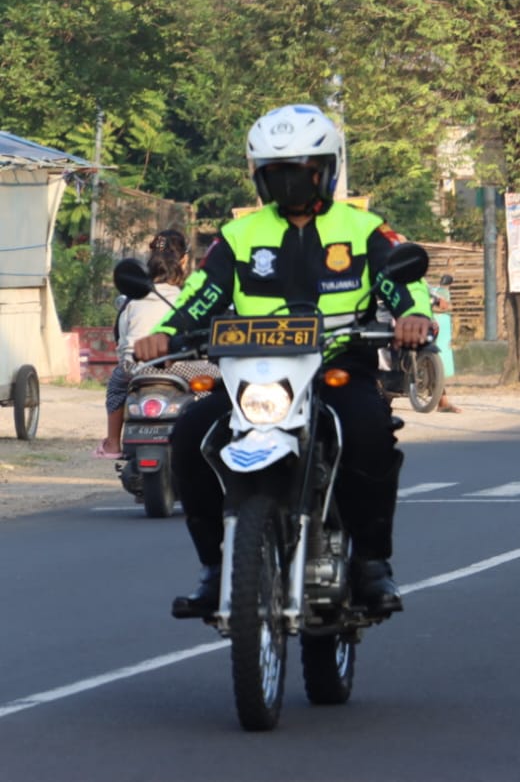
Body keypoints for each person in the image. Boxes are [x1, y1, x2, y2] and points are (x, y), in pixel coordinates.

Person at [134, 104, 434, 619]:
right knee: (190, 435)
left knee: (368, 432)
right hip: (253, 372)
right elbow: (203, 294)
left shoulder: (364, 229)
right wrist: (164, 333)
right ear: (260, 177)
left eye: (300, 171)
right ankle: (216, 568)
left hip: (337, 366)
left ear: (326, 170)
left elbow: (403, 284)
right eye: (277, 173)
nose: (290, 183)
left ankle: (371, 562)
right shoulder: (240, 236)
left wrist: (414, 318)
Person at [98, 230, 189, 458]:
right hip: (179, 369)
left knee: (116, 387)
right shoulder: (188, 298)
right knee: (212, 387)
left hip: (134, 368)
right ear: (183, 262)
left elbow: (121, 340)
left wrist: (127, 361)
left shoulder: (132, 299)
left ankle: (112, 443)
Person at [429, 275, 461, 413]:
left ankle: (442, 400)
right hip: (438, 327)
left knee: (436, 364)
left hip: (435, 326)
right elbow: (441, 307)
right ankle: (442, 401)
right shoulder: (441, 292)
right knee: (438, 364)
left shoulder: (432, 289)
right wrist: (447, 308)